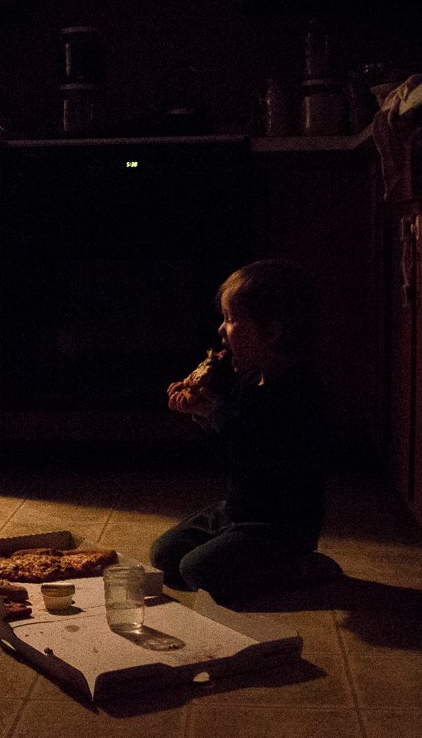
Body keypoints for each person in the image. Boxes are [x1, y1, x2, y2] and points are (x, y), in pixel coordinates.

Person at [151, 258, 335, 603]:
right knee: (164, 555)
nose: (221, 330)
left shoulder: (302, 393)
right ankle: (238, 554)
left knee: (198, 571)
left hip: (282, 524)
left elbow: (266, 455)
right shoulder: (249, 380)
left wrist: (220, 416)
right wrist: (205, 415)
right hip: (238, 508)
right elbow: (234, 453)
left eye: (232, 320)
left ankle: (301, 565)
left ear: (273, 331)